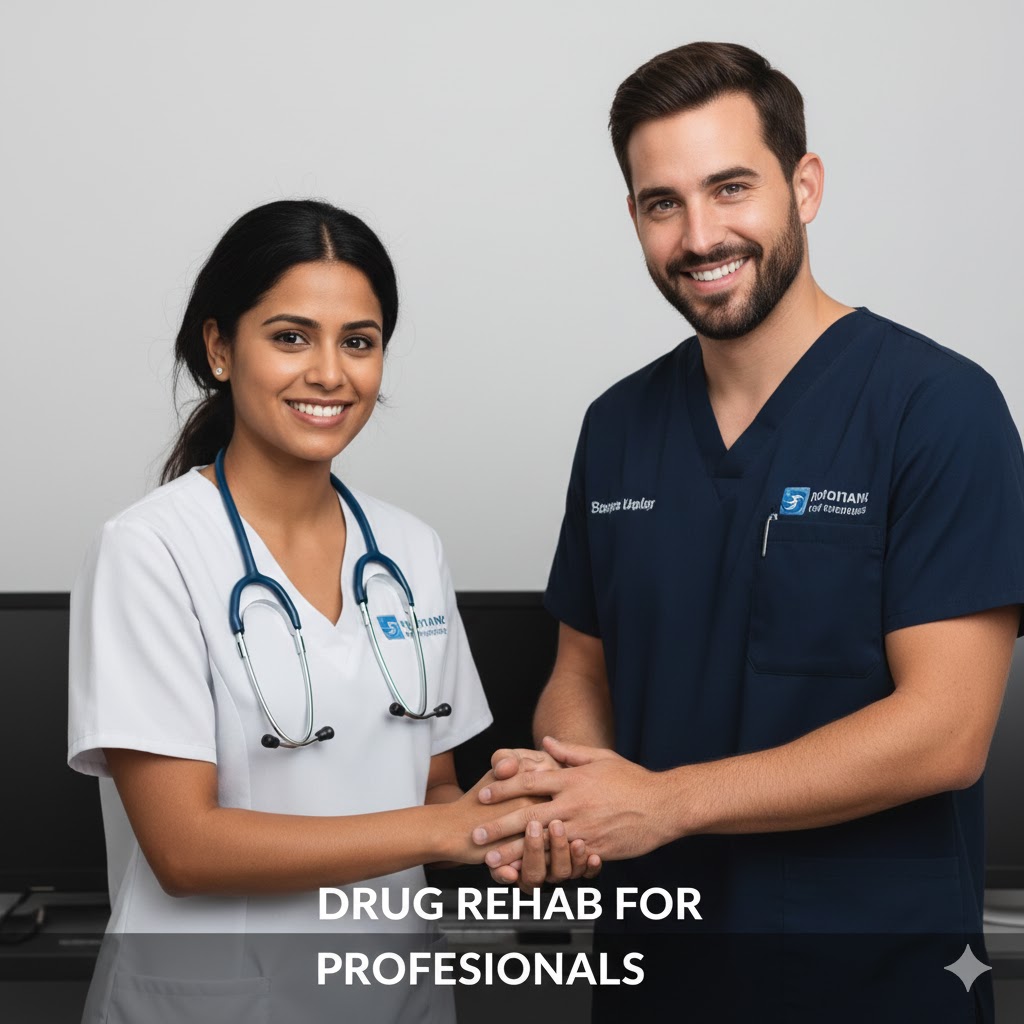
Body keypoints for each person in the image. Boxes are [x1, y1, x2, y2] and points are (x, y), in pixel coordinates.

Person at [473, 42, 1024, 1022]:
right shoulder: (617, 427)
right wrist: (572, 786)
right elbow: (580, 670)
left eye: (730, 188)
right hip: (657, 973)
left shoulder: (936, 408)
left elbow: (946, 730)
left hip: (874, 981)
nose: (698, 234)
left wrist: (662, 802)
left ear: (803, 186)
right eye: (662, 203)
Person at [66, 199, 594, 1023]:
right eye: (289, 337)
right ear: (218, 348)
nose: (329, 373)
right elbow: (184, 848)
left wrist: (510, 824)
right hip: (218, 1000)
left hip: (394, 993)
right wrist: (445, 833)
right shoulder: (152, 551)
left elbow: (434, 788)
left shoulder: (410, 552)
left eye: (359, 340)